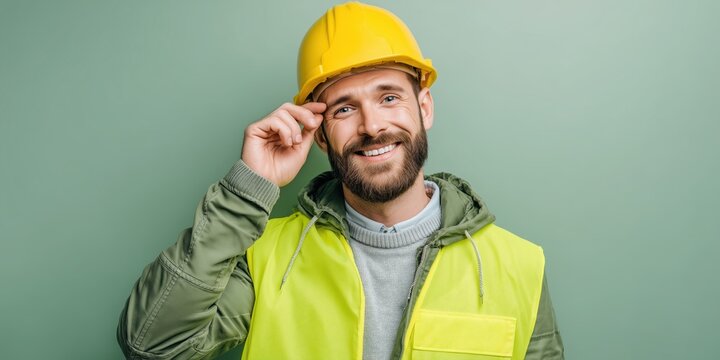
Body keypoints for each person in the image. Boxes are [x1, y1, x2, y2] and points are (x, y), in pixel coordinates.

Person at [117, 2, 564, 359]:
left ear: (424, 107)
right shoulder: (264, 257)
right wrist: (246, 190)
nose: (372, 126)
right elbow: (152, 346)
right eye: (344, 109)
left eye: (389, 97)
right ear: (319, 134)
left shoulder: (520, 266)